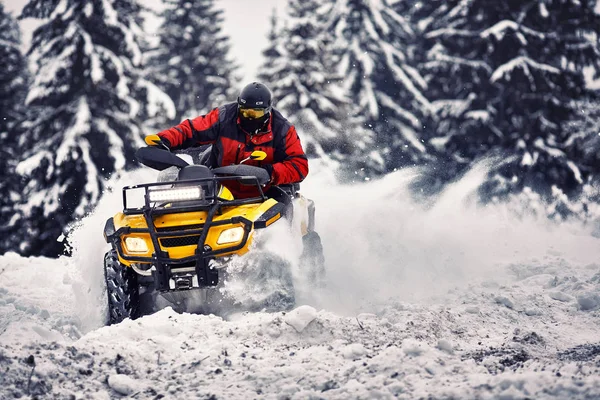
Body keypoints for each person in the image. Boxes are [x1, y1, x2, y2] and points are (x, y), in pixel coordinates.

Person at [145, 82, 308, 200]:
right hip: (218, 188)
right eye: (244, 112)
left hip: (264, 193)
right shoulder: (224, 117)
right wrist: (165, 140)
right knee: (180, 204)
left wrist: (269, 173)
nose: (249, 117)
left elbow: (300, 165)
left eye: (255, 114)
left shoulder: (283, 130)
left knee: (282, 213)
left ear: (267, 111)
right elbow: (192, 129)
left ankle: (284, 246)